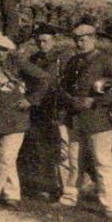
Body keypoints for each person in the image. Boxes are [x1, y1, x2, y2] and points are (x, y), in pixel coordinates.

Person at [57, 23, 112, 218]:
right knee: (74, 161)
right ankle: (69, 198)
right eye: (76, 40)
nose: (79, 43)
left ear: (93, 39)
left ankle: (110, 206)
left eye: (83, 39)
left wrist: (95, 101)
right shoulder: (74, 62)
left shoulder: (106, 61)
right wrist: (70, 100)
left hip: (98, 120)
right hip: (76, 119)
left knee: (102, 162)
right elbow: (64, 86)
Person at [0, 31, 52, 206]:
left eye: (3, 50)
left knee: (5, 157)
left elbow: (44, 77)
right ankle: (12, 195)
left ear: (9, 51)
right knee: (4, 158)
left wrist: (31, 100)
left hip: (16, 117)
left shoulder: (18, 62)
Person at [27, 25, 72, 201]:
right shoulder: (33, 59)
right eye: (38, 40)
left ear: (54, 40)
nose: (41, 44)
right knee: (41, 149)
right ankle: (46, 187)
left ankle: (66, 189)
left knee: (62, 150)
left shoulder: (62, 59)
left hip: (57, 109)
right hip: (40, 110)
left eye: (45, 40)